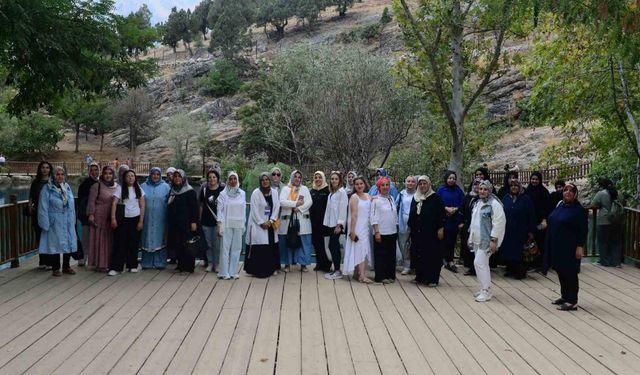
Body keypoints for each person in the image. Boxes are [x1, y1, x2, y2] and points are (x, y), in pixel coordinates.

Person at [547, 183, 588, 311]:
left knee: (570, 272)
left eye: (571, 191)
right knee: (560, 270)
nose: (568, 192)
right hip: (558, 245)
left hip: (570, 246)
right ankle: (565, 296)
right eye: (566, 190)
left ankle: (572, 300)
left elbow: (583, 229)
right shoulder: (560, 205)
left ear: (575, 194)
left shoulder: (578, 210)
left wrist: (580, 246)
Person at [468, 180, 506, 302]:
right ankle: (484, 287)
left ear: (489, 191)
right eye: (480, 189)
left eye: (485, 189)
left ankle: (486, 291)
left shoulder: (494, 204)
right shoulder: (478, 203)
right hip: (477, 239)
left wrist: (494, 240)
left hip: (487, 240)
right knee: (482, 264)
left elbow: (499, 223)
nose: (482, 191)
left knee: (479, 262)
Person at [37, 166, 77, 277]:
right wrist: (45, 222)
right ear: (53, 176)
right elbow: (42, 207)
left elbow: (71, 205)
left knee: (68, 242)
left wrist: (72, 218)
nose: (60, 176)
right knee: (55, 244)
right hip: (55, 220)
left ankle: (66, 266)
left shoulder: (67, 187)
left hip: (67, 219)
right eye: (57, 174)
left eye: (62, 174)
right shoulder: (47, 188)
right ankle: (55, 268)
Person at [408, 175, 445, 286]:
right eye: (420, 184)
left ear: (429, 184)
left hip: (431, 232)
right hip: (418, 232)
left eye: (425, 183)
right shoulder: (416, 197)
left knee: (431, 255)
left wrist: (441, 228)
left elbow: (441, 215)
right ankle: (420, 276)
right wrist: (410, 226)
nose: (422, 186)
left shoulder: (435, 198)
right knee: (418, 253)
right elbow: (412, 213)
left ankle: (432, 279)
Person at [109, 170, 145, 275]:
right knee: (120, 243)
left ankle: (132, 265)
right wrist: (113, 218)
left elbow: (142, 205)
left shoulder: (139, 189)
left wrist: (141, 221)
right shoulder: (120, 188)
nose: (130, 178)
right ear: (124, 178)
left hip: (135, 218)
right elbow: (114, 203)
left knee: (133, 243)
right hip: (123, 219)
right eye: (128, 176)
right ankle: (116, 267)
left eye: (132, 176)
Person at [245, 172, 281, 278]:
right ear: (260, 181)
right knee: (260, 247)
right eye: (263, 180)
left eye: (267, 179)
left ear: (270, 181)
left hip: (270, 224)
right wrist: (261, 222)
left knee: (271, 245)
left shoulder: (274, 192)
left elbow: (277, 207)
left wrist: (271, 221)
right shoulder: (256, 193)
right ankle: (258, 270)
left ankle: (272, 268)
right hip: (258, 225)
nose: (265, 182)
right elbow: (254, 210)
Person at [278, 170, 313, 272]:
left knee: (303, 241)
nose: (297, 179)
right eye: (295, 176)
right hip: (288, 221)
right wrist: (295, 204)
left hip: (302, 219)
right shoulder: (286, 189)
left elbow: (309, 201)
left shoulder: (304, 189)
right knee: (287, 241)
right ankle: (287, 264)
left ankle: (303, 264)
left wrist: (299, 208)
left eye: (299, 177)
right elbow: (282, 201)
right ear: (292, 177)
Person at [500, 179, 535, 279]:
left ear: (519, 187)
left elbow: (531, 216)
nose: (514, 187)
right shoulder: (506, 198)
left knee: (520, 252)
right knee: (509, 250)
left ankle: (520, 272)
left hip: (521, 230)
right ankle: (510, 269)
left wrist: (531, 231)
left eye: (516, 186)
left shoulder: (526, 199)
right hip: (508, 230)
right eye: (512, 186)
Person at [167, 169, 199, 274]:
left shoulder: (189, 191)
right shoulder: (172, 190)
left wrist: (194, 221)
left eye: (179, 176)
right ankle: (180, 265)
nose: (177, 178)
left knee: (188, 245)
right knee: (178, 244)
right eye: (175, 176)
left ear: (183, 178)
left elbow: (194, 207)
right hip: (175, 223)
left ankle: (189, 267)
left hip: (187, 223)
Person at [87, 166, 118, 271]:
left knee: (110, 240)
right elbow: (91, 201)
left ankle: (110, 262)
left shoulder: (117, 186)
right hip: (99, 216)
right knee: (100, 240)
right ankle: (100, 263)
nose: (108, 176)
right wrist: (91, 214)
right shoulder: (97, 186)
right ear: (102, 174)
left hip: (112, 217)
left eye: (110, 173)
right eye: (106, 173)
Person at [343, 177, 373, 283]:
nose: (359, 186)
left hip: (365, 226)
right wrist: (352, 231)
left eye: (361, 183)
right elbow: (354, 215)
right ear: (354, 186)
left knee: (362, 248)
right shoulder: (354, 197)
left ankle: (357, 273)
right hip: (357, 226)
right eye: (357, 184)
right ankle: (362, 276)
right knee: (360, 248)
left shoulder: (368, 196)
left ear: (364, 184)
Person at [140, 167, 171, 269]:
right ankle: (147, 262)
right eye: (153, 174)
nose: (155, 176)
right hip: (147, 218)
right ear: (150, 175)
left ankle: (160, 262)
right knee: (147, 238)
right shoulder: (143, 186)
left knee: (160, 238)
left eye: (158, 174)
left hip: (160, 218)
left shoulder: (166, 187)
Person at [217, 172, 246, 279]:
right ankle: (224, 272)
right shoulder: (223, 194)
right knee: (225, 248)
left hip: (238, 224)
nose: (233, 181)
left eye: (235, 178)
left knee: (237, 248)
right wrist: (220, 224)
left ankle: (233, 271)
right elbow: (220, 210)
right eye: (231, 179)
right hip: (227, 224)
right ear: (228, 180)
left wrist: (243, 224)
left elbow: (243, 209)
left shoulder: (242, 193)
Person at [371, 177, 398, 284]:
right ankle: (380, 276)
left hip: (392, 231)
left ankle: (390, 275)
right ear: (379, 187)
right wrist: (376, 232)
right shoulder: (376, 200)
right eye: (383, 185)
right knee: (380, 255)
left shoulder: (391, 198)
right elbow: (373, 217)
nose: (385, 187)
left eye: (387, 185)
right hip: (381, 232)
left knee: (391, 255)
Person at [437, 170, 464, 273]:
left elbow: (462, 203)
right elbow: (437, 203)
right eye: (450, 178)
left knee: (452, 240)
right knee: (443, 240)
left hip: (454, 220)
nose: (451, 180)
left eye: (453, 178)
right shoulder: (441, 190)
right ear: (446, 179)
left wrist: (455, 209)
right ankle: (443, 259)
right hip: (444, 220)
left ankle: (450, 260)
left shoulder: (458, 190)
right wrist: (446, 208)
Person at [591, 178, 622, 267]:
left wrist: (601, 206)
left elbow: (593, 204)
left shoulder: (601, 194)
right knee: (616, 242)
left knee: (603, 242)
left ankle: (604, 261)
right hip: (617, 220)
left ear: (602, 186)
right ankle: (616, 262)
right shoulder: (619, 193)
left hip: (604, 220)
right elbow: (623, 203)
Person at [323, 171, 348, 280]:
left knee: (334, 247)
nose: (334, 181)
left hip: (337, 225)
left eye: (336, 179)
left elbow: (343, 209)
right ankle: (335, 268)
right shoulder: (331, 193)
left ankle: (338, 270)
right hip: (330, 223)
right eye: (332, 179)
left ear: (340, 181)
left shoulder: (342, 192)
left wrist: (340, 225)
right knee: (332, 246)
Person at [29, 161, 54, 270]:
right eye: (43, 167)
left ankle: (50, 262)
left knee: (49, 237)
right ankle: (42, 261)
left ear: (50, 169)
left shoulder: (52, 182)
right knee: (39, 236)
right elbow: (31, 196)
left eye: (47, 167)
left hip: (50, 213)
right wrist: (29, 206)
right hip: (37, 213)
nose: (45, 169)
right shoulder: (36, 182)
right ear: (40, 169)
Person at [524, 171, 551, 270]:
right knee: (529, 242)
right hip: (530, 221)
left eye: (536, 179)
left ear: (540, 180)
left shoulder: (544, 192)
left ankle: (540, 264)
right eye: (533, 179)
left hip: (540, 221)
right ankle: (529, 264)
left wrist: (544, 219)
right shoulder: (527, 191)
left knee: (540, 242)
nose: (534, 181)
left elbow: (547, 207)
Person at [199, 169, 224, 272]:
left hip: (217, 221)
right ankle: (210, 263)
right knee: (208, 244)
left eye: (214, 177)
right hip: (206, 220)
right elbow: (200, 205)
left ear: (217, 178)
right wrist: (199, 219)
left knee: (217, 244)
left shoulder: (222, 190)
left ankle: (217, 263)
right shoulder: (204, 190)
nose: (212, 179)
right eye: (210, 177)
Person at [77, 162, 100, 266]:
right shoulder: (85, 183)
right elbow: (82, 199)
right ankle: (83, 257)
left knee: (95, 237)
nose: (94, 172)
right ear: (89, 171)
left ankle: (94, 257)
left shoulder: (101, 183)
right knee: (85, 237)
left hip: (98, 214)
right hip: (86, 214)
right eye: (92, 170)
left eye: (96, 170)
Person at [459, 178, 481, 276]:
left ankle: (477, 268)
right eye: (475, 184)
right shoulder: (468, 196)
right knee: (467, 246)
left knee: (477, 246)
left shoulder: (483, 198)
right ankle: (470, 267)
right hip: (467, 225)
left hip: (478, 227)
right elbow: (462, 210)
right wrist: (461, 222)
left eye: (479, 185)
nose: (477, 187)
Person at [310, 171, 331, 272]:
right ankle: (319, 264)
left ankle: (327, 265)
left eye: (320, 177)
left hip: (325, 222)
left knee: (325, 244)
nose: (318, 179)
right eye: (316, 177)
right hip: (314, 222)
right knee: (316, 243)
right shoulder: (312, 191)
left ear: (323, 179)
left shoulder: (328, 191)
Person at [397, 175, 417, 275]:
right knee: (403, 244)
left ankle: (415, 266)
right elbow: (396, 206)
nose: (410, 183)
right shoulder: (401, 194)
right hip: (403, 221)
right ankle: (406, 265)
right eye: (408, 181)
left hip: (415, 223)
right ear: (405, 183)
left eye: (412, 182)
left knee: (415, 244)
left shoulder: (419, 194)